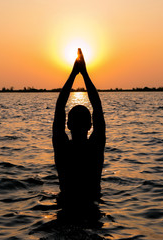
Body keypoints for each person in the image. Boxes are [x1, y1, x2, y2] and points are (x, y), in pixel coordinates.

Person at [53, 48, 106, 208]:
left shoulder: (63, 148)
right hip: (92, 210)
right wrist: (84, 73)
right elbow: (97, 107)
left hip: (66, 207)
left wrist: (73, 74)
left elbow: (59, 108)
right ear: (90, 126)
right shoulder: (95, 148)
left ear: (68, 125)